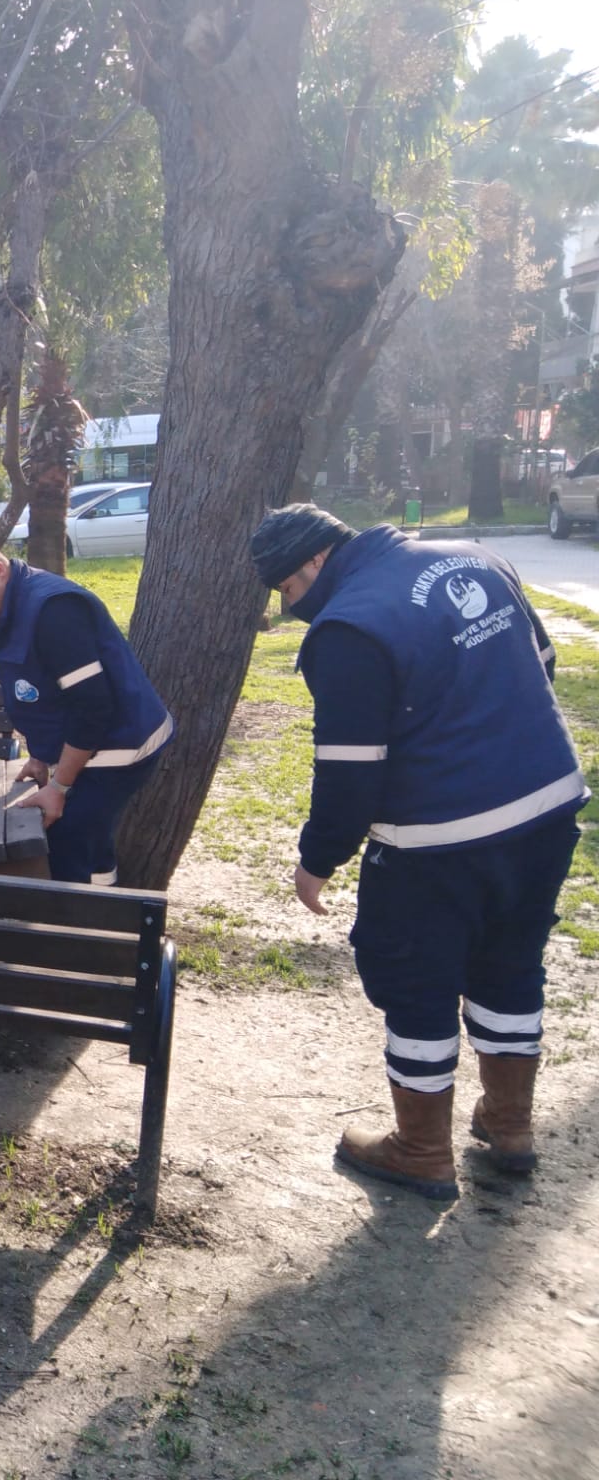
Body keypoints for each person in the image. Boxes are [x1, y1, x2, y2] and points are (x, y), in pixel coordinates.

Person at [250, 504, 585, 1201]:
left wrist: (319, 860)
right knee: (510, 963)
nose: (290, 607)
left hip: (438, 841)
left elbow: (349, 770)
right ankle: (509, 1125)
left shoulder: (350, 625)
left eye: (284, 591)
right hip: (548, 806)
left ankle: (423, 1148)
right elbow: (542, 666)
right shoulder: (479, 559)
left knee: (416, 983)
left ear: (310, 565)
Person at [0, 534, 174, 884]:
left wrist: (59, 787)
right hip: (94, 742)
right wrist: (41, 755)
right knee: (90, 840)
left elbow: (93, 708)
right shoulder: (8, 603)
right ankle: (103, 916)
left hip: (121, 745)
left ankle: (73, 929)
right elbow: (35, 692)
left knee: (64, 843)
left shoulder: (53, 611)